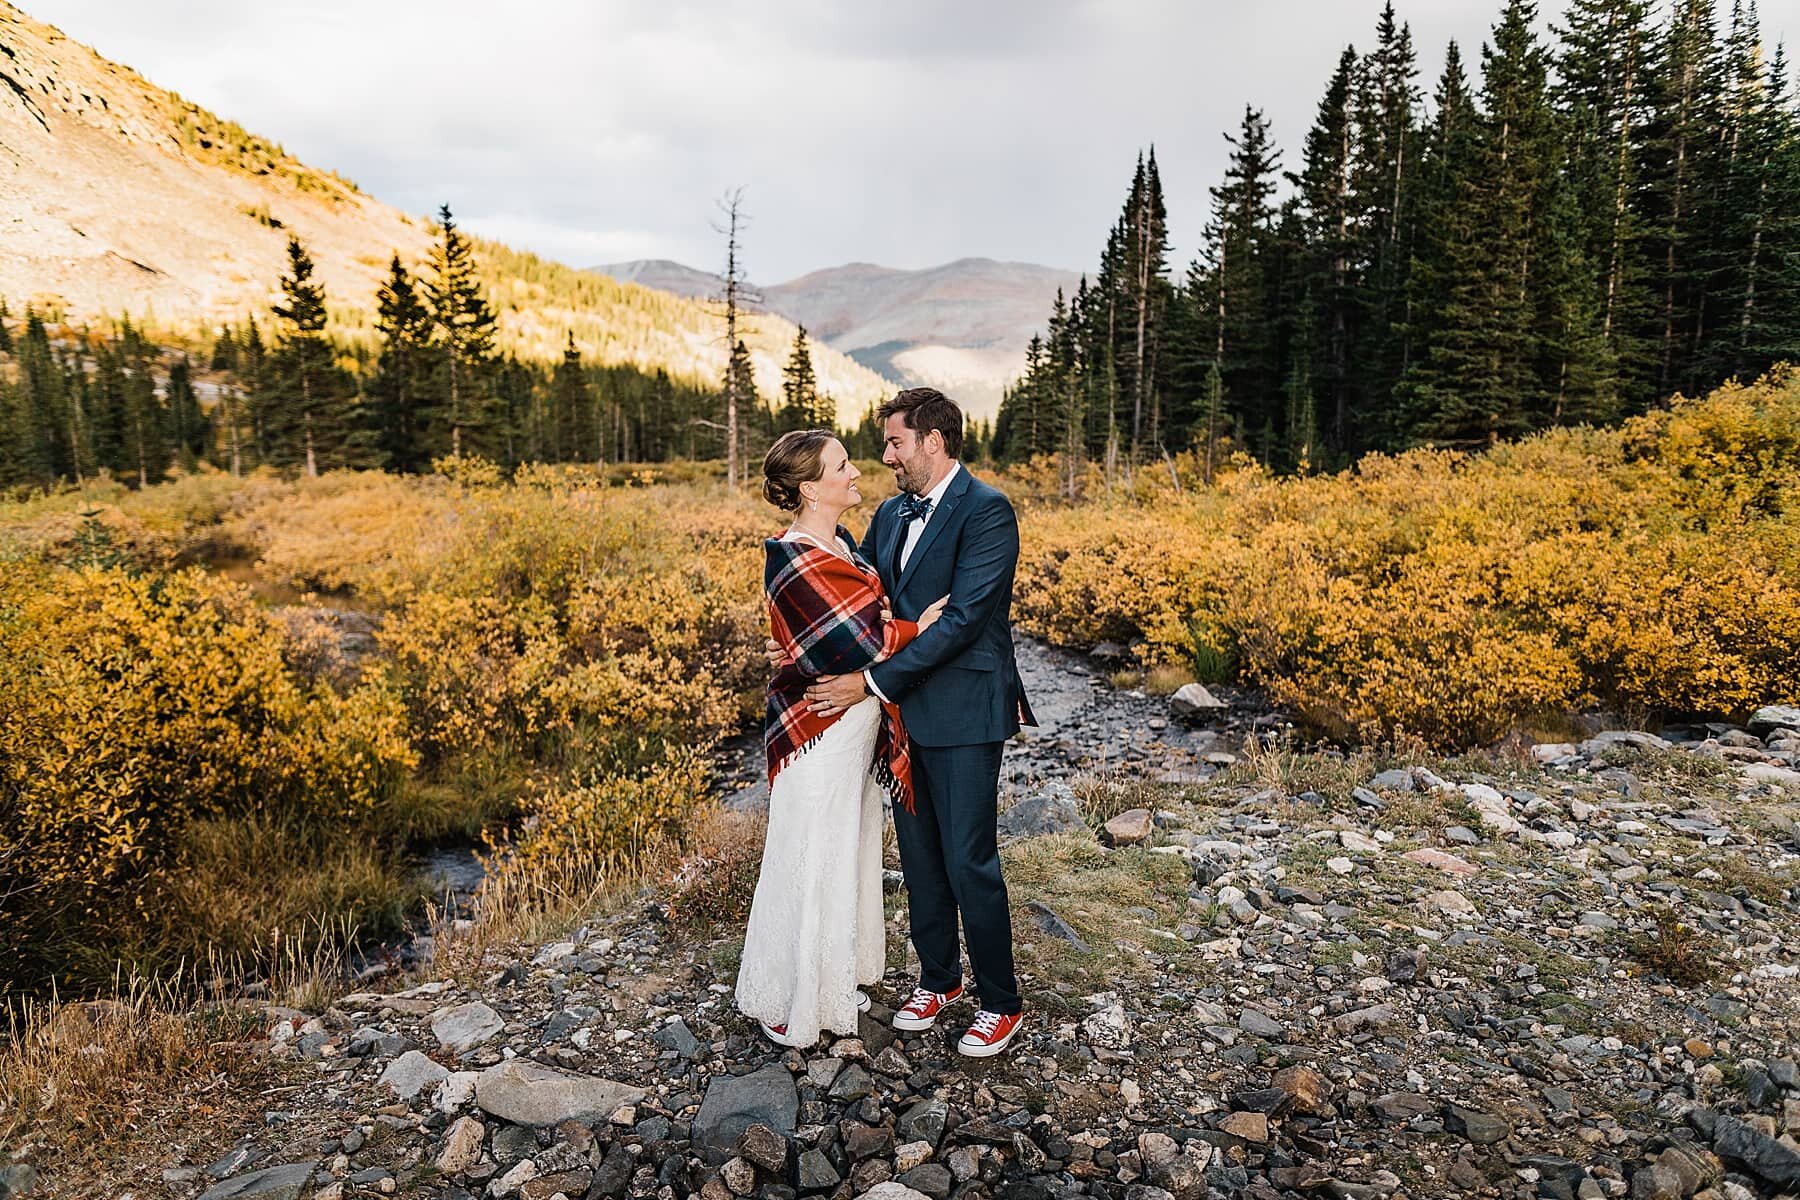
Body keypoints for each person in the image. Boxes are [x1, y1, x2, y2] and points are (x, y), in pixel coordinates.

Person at [783, 387, 1034, 1058]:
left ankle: (1001, 1002)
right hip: (898, 718)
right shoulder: (890, 514)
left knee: (969, 858)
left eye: (896, 442)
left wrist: (867, 681)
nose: (886, 455)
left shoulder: (987, 512)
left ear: (934, 441)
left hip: (964, 710)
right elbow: (864, 602)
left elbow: (961, 623)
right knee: (920, 858)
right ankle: (939, 978)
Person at [736, 428, 946, 1048]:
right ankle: (787, 996)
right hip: (817, 728)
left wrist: (844, 638)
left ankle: (829, 978)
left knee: (845, 845)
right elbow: (849, 640)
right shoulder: (792, 554)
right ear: (810, 487)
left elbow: (844, 628)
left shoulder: (846, 544)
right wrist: (916, 630)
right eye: (842, 466)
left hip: (856, 723)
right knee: (805, 849)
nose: (856, 472)